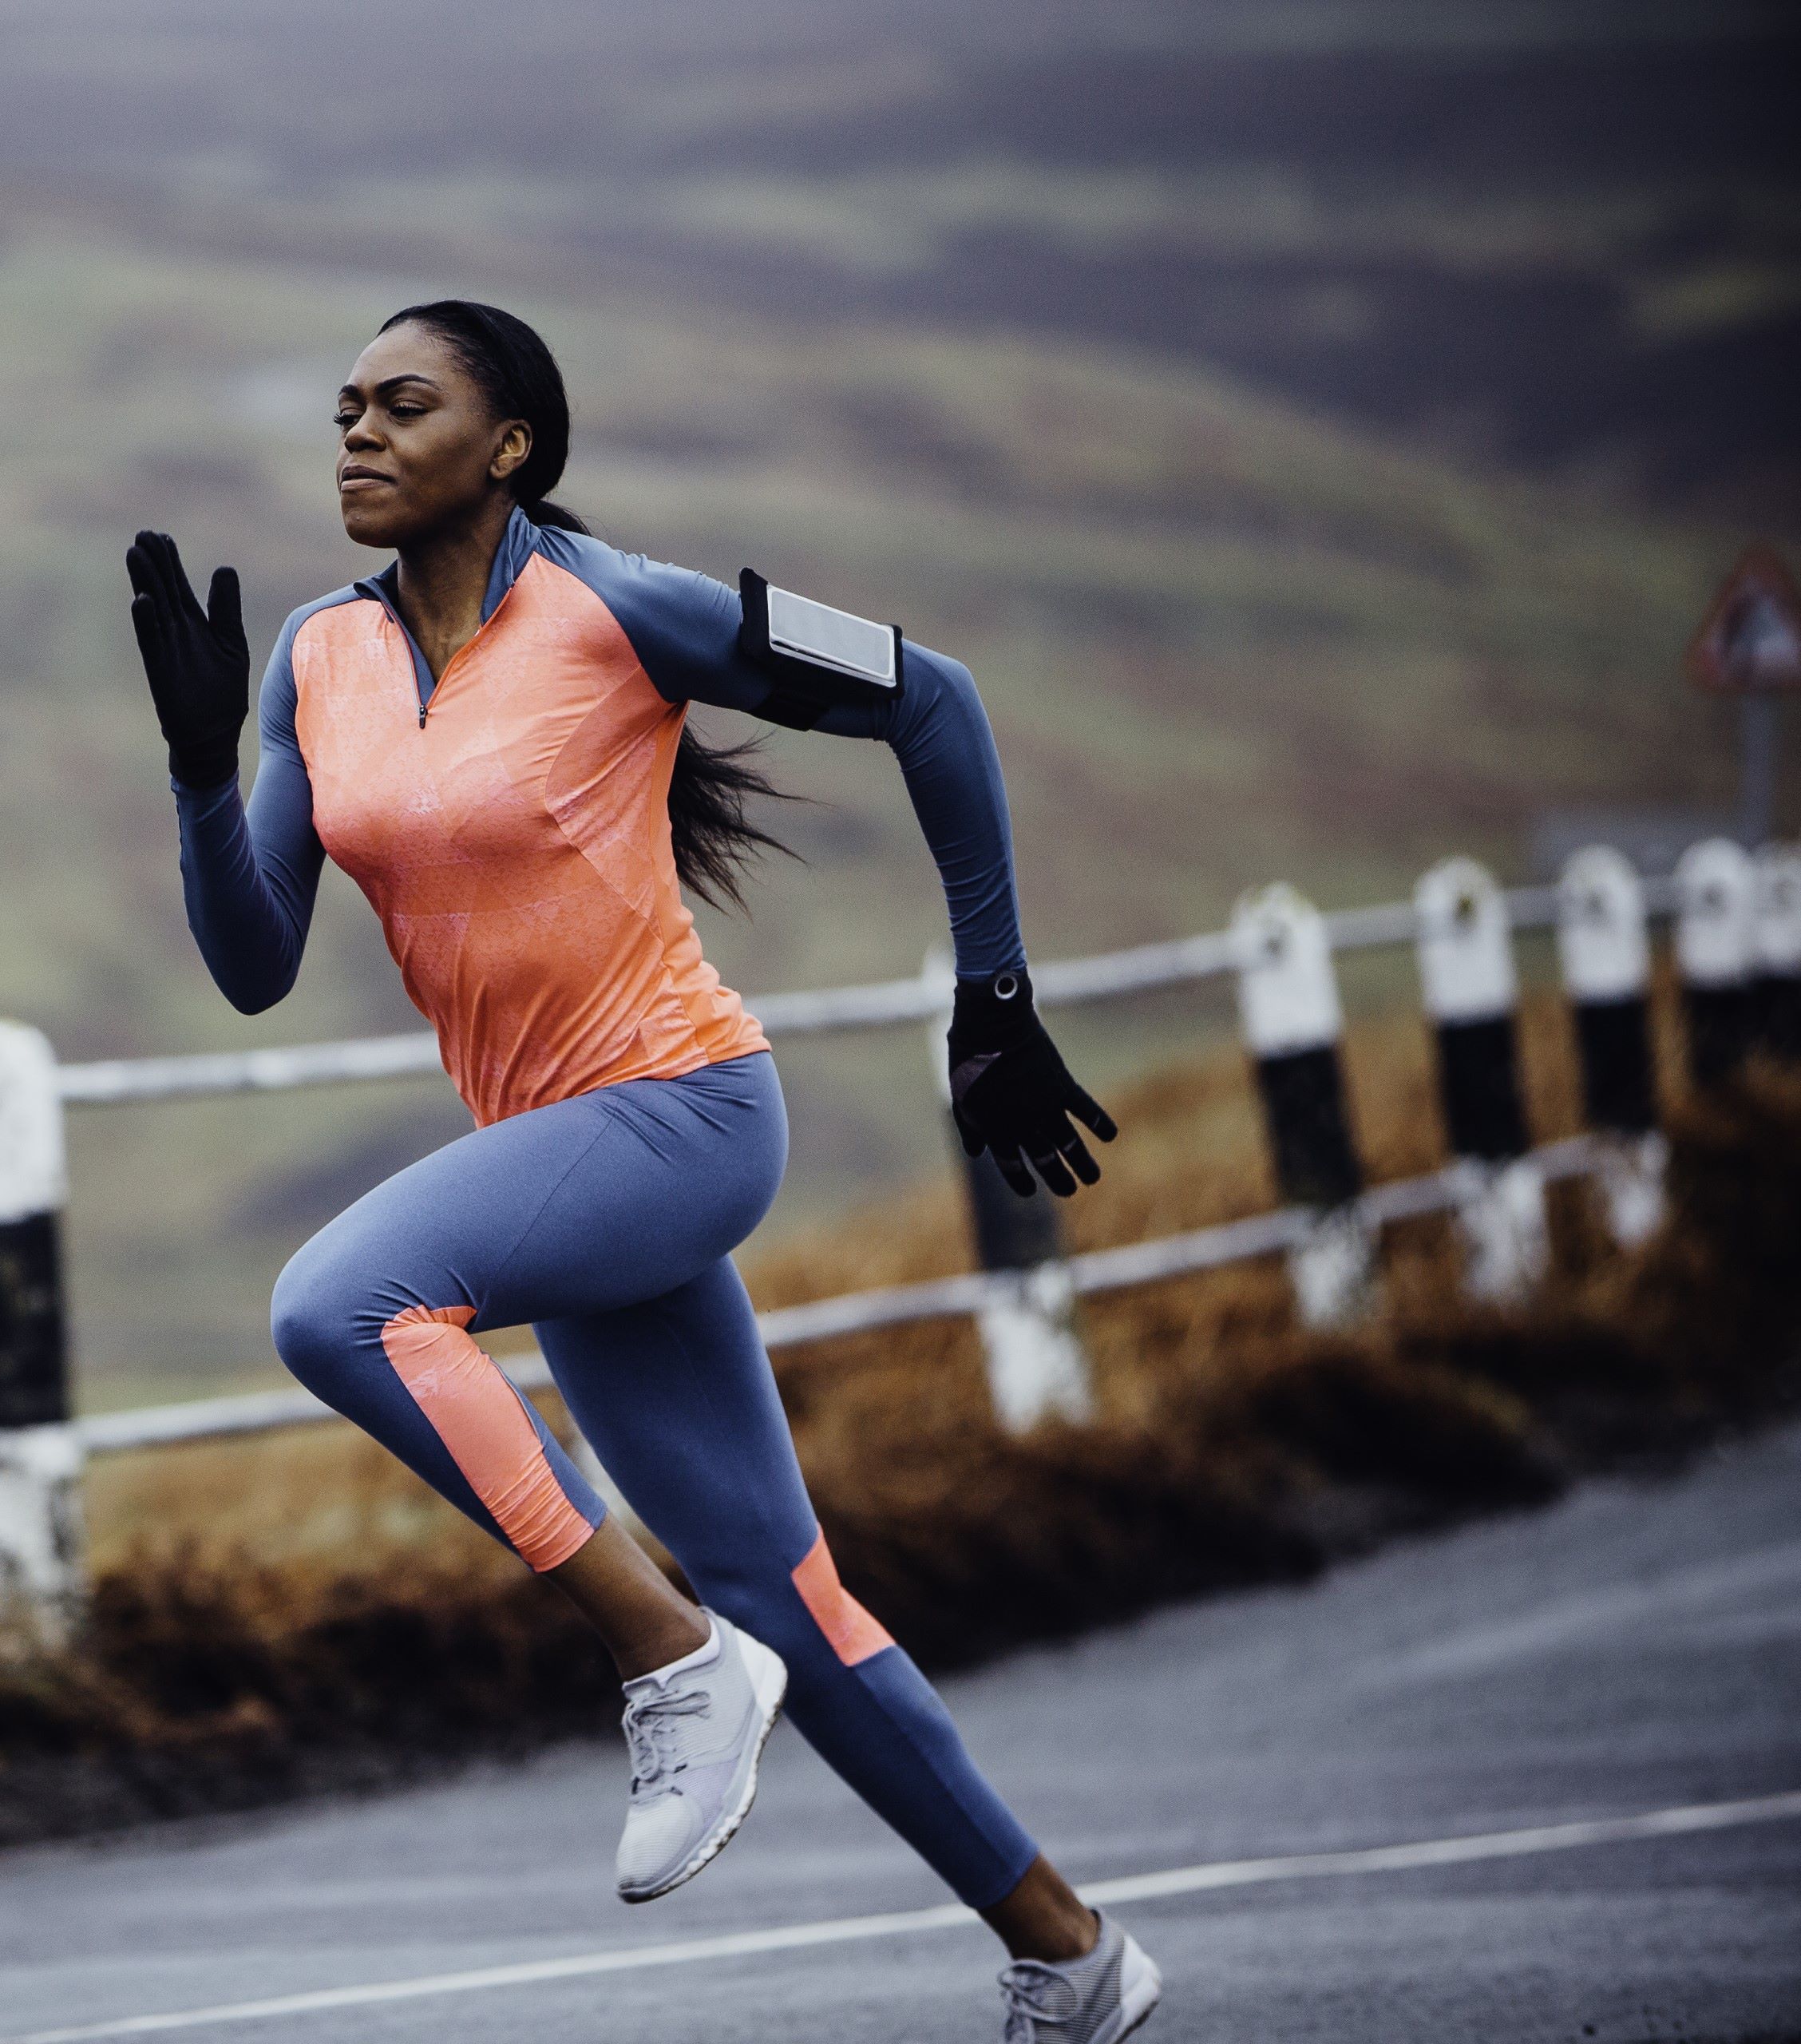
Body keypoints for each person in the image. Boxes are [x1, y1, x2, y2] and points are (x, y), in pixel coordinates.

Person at [124, 299, 1158, 2044]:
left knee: (338, 1303)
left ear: (510, 443)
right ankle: (1074, 1952)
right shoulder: (317, 657)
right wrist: (198, 767)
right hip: (562, 1160)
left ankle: (665, 1655)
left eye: (405, 404)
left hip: (680, 1111)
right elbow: (251, 959)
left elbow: (936, 696)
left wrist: (993, 992)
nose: (356, 434)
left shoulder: (629, 609)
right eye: (344, 409)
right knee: (792, 1597)